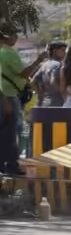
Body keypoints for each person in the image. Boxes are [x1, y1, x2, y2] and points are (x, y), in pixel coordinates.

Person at [0, 24, 47, 175]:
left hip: (5, 96)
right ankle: (11, 166)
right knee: (11, 133)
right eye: (14, 35)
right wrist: (38, 61)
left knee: (6, 133)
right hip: (8, 96)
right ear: (6, 37)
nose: (16, 38)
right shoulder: (8, 53)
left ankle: (4, 165)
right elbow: (23, 73)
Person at [31, 40, 67, 107]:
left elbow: (33, 81)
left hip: (44, 102)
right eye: (62, 50)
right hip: (58, 103)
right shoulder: (58, 65)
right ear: (55, 51)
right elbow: (53, 82)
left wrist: (40, 95)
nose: (65, 52)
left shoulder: (44, 65)